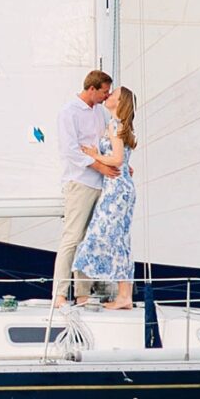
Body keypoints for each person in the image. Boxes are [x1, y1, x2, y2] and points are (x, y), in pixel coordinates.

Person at [72, 87, 138, 309]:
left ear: (120, 102)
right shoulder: (120, 125)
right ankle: (124, 295)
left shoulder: (115, 124)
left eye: (113, 95)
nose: (108, 96)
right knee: (120, 239)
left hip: (116, 188)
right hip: (123, 187)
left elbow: (117, 159)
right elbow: (123, 159)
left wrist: (93, 155)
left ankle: (122, 295)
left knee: (99, 235)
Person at [52, 70, 113, 305]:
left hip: (100, 181)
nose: (106, 97)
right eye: (104, 92)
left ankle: (83, 294)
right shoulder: (69, 112)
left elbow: (103, 143)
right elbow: (69, 150)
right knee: (72, 238)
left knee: (89, 241)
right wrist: (98, 166)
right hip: (80, 181)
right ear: (92, 89)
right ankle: (59, 293)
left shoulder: (99, 112)